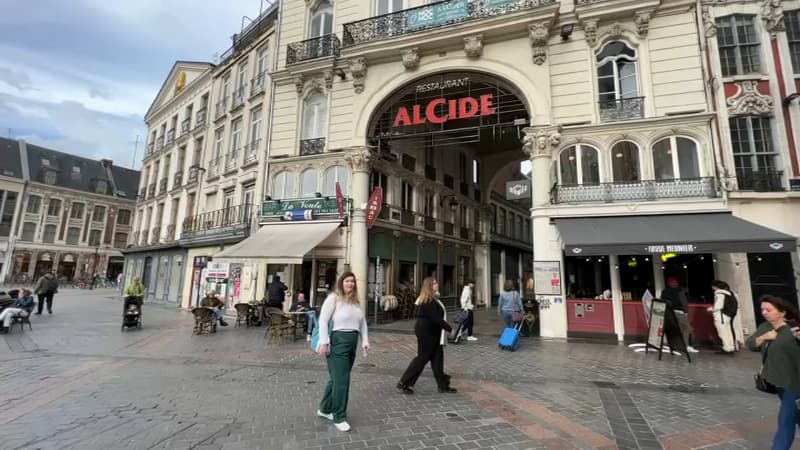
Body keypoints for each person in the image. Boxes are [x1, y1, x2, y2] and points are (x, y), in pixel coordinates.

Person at [316, 271, 369, 432]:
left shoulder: (355, 302)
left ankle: (325, 409)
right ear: (341, 283)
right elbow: (323, 320)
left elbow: (362, 323)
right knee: (342, 382)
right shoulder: (333, 299)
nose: (350, 284)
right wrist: (324, 342)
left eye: (352, 281)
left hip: (351, 344)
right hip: (337, 343)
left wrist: (365, 340)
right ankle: (339, 416)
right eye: (347, 281)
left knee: (336, 379)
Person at [745, 295, 800, 450]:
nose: (764, 312)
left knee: (786, 421)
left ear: (782, 313)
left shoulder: (793, 329)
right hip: (778, 383)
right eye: (762, 309)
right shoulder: (765, 327)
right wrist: (764, 337)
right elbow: (750, 344)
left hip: (795, 384)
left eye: (768, 310)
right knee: (795, 416)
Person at [397, 277, 457, 396]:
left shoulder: (434, 299)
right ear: (429, 286)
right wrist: (450, 329)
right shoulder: (427, 301)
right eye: (434, 283)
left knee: (437, 358)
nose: (437, 284)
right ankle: (404, 382)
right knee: (422, 358)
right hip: (427, 333)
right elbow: (436, 318)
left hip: (433, 333)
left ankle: (443, 385)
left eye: (436, 282)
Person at [660, 277, 698, 353]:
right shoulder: (679, 291)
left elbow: (662, 301)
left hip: (668, 312)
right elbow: (684, 303)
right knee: (686, 329)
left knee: (673, 329)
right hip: (678, 312)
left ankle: (673, 345)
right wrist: (686, 312)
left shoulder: (664, 291)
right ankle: (686, 346)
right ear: (676, 283)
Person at [709, 280, 737, 355]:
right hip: (727, 316)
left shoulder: (719, 294)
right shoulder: (728, 293)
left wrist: (711, 309)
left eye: (713, 286)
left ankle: (726, 348)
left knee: (722, 333)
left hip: (720, 316)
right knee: (728, 331)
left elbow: (718, 306)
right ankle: (731, 347)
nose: (712, 287)